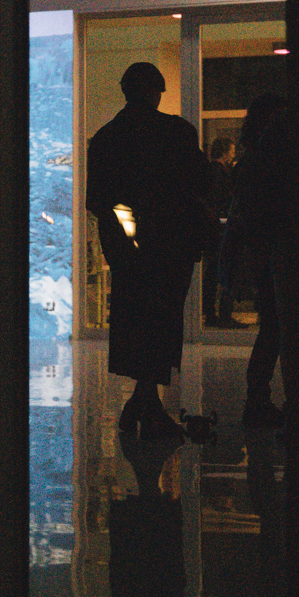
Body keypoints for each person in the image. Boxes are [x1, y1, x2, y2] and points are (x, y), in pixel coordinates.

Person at [85, 62, 206, 441]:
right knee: (163, 323)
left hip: (127, 252)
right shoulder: (177, 133)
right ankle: (146, 404)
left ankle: (143, 401)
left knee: (136, 324)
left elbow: (96, 201)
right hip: (170, 247)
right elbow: (197, 187)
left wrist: (122, 238)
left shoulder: (105, 138)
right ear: (157, 92)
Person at [221, 94, 289, 429]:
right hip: (273, 251)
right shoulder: (268, 162)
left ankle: (257, 399)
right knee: (276, 328)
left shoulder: (250, 163)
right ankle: (259, 399)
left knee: (272, 328)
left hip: (262, 251)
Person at [202, 137, 243, 328]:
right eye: (232, 151)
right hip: (221, 228)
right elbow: (223, 200)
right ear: (225, 152)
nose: (233, 155)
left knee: (211, 271)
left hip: (212, 228)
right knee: (226, 270)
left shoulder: (209, 172)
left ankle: (210, 313)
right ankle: (224, 314)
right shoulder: (220, 173)